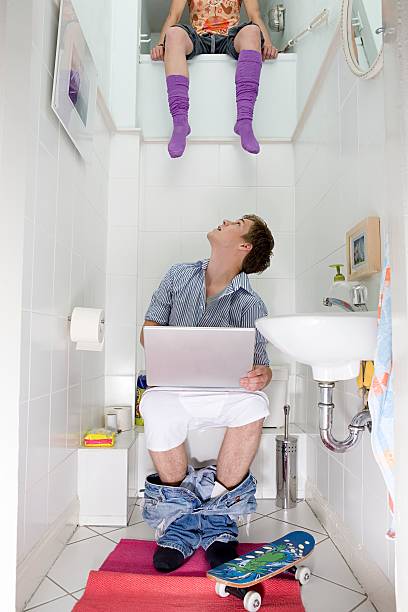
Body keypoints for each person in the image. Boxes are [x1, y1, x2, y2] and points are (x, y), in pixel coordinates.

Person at [139, 214, 274, 572]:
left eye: (238, 222)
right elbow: (146, 336)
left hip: (223, 395)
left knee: (255, 404)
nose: (226, 220)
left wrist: (263, 375)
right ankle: (182, 518)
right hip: (173, 388)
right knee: (153, 404)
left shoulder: (251, 303)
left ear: (244, 246)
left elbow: (262, 365)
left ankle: (217, 517)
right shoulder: (177, 275)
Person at [151, 0, 278, 158]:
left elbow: (255, 15)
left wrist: (267, 44)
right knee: (173, 33)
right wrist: (160, 45)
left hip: (230, 38)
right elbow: (173, 15)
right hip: (198, 37)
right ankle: (180, 123)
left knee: (252, 30)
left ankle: (245, 121)